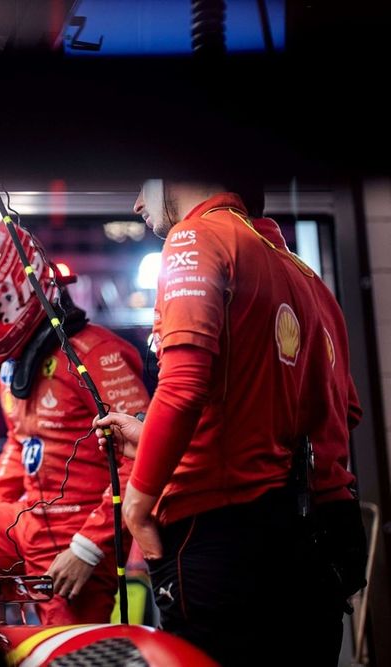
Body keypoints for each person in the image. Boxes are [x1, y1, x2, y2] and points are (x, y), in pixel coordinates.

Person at [92, 180, 366, 665]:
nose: (136, 202)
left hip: (219, 539)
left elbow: (184, 384)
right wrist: (152, 432)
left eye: (141, 181)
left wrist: (137, 504)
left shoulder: (195, 238)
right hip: (313, 543)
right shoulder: (306, 276)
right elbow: (340, 416)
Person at [0, 211, 149, 625]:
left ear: (11, 296)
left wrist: (87, 549)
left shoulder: (96, 356)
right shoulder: (13, 365)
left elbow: (143, 458)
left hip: (77, 544)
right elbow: (21, 446)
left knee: (65, 651)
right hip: (25, 523)